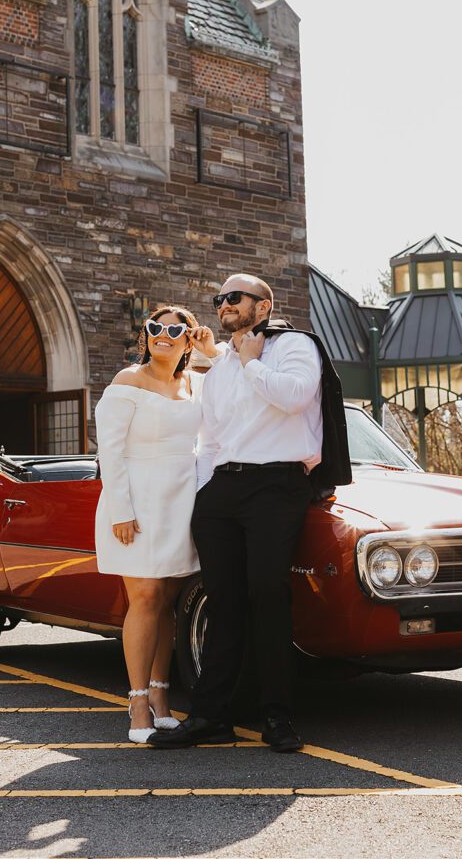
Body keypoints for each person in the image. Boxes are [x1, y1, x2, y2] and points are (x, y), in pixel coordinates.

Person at [149, 274, 322, 753]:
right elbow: (213, 438)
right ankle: (210, 716)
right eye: (219, 299)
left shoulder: (293, 347)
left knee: (268, 595)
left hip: (276, 484)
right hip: (224, 489)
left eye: (234, 298)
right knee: (222, 603)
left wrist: (249, 363)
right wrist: (207, 492)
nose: (223, 304)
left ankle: (278, 717)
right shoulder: (221, 368)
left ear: (263, 306)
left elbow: (294, 396)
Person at [94, 305, 217, 743]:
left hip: (181, 502)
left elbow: (235, 392)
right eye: (153, 328)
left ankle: (163, 700)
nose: (161, 335)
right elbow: (110, 451)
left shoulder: (197, 384)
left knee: (166, 598)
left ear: (188, 337)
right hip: (138, 501)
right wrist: (121, 510)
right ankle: (138, 703)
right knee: (144, 596)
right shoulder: (127, 381)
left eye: (173, 329)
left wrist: (210, 350)